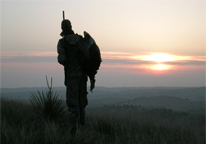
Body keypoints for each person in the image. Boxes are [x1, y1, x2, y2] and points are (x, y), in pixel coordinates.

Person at [57, 19, 100, 137]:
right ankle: (83, 127)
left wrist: (68, 60)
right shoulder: (81, 39)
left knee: (72, 104)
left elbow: (61, 59)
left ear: (62, 28)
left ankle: (73, 132)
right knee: (81, 102)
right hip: (83, 77)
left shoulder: (62, 42)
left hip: (72, 77)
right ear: (71, 26)